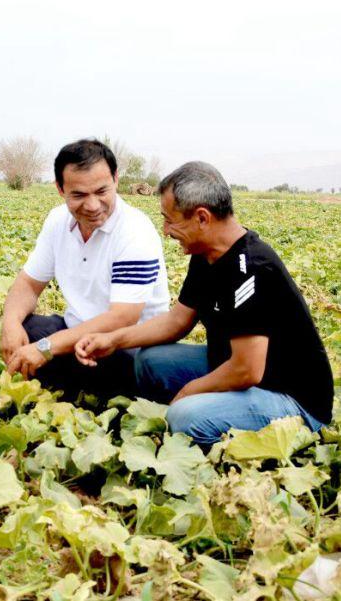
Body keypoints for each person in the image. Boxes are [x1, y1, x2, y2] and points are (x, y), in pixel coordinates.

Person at [75, 162, 334, 446]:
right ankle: (196, 416)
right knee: (150, 361)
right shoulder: (206, 254)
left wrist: (189, 392)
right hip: (237, 367)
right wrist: (112, 339)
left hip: (289, 398)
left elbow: (247, 369)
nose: (165, 230)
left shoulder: (251, 267)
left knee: (186, 417)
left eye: (170, 220)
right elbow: (176, 322)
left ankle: (198, 430)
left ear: (201, 218)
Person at [0, 138, 170, 399]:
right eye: (78, 195)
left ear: (115, 179)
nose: (92, 206)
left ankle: (84, 387)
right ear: (60, 188)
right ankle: (74, 383)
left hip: (126, 346)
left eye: (101, 191)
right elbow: (28, 284)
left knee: (103, 365)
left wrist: (45, 348)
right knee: (27, 329)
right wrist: (10, 325)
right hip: (75, 336)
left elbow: (122, 318)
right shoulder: (57, 221)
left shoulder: (135, 230)